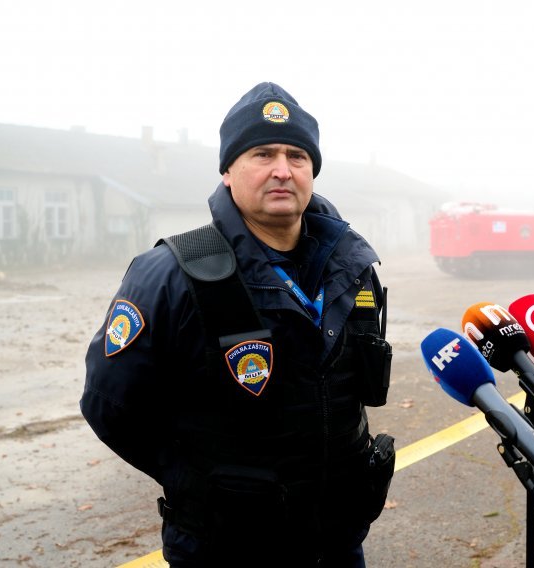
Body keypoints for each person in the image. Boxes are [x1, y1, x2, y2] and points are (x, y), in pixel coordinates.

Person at [81, 82, 394, 567]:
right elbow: (110, 405)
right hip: (226, 550)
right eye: (262, 153)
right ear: (228, 170)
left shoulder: (350, 265)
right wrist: (201, 482)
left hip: (337, 542)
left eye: (297, 155)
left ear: (312, 170)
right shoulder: (173, 272)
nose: (282, 170)